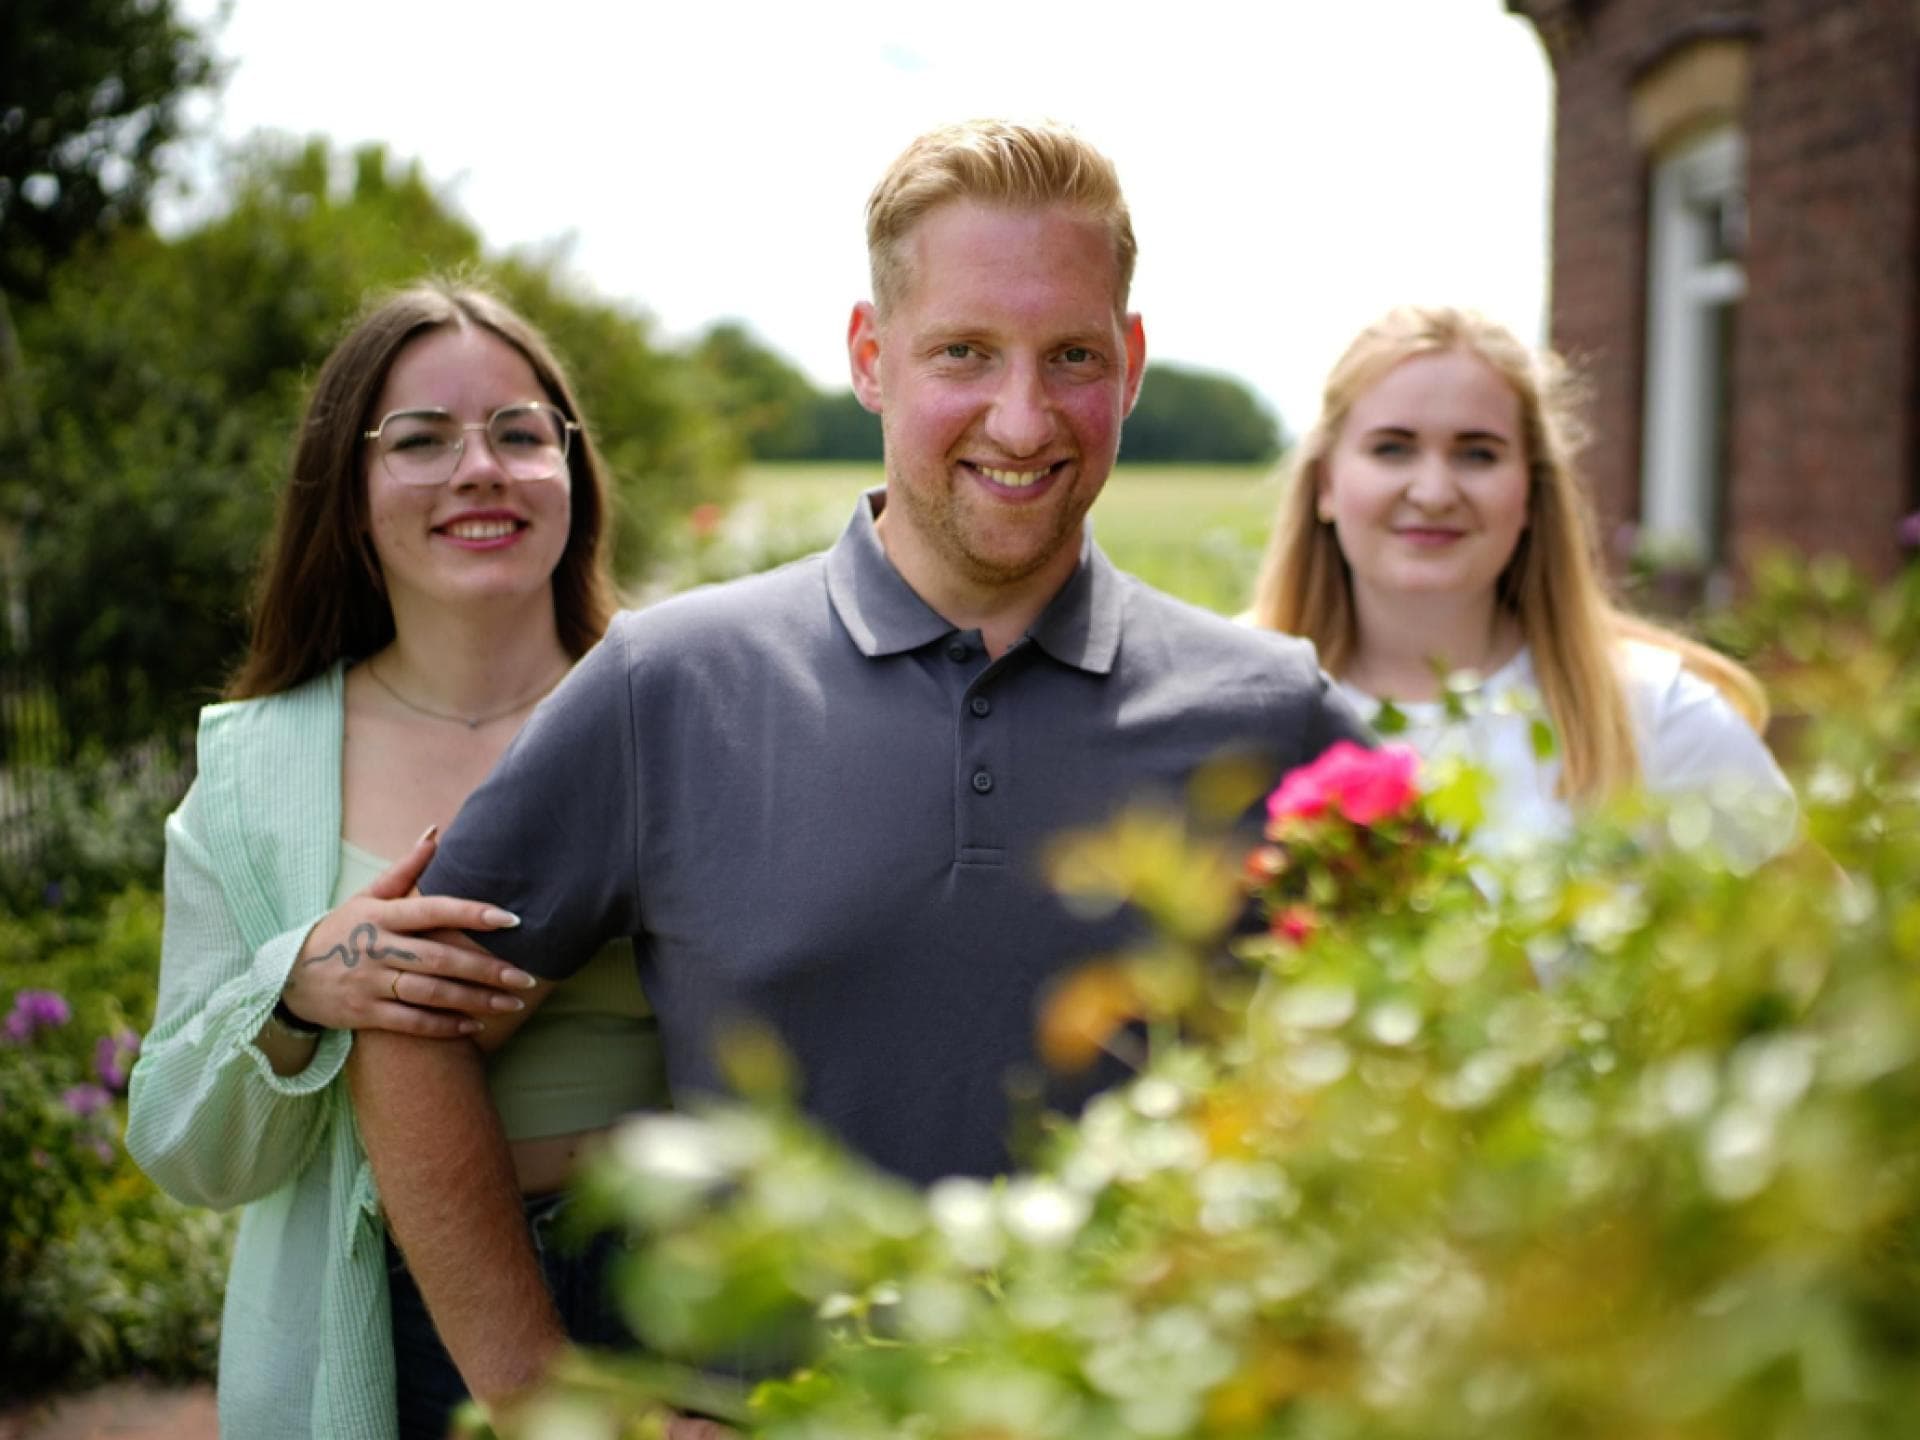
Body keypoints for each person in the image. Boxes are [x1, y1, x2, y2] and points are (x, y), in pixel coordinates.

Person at [347, 119, 1372, 1422]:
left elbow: (1444, 1059)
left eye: (1071, 356)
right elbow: (409, 1027)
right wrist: (551, 1399)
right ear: (870, 358)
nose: (1023, 415)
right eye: (964, 353)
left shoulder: (1273, 716)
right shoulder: (672, 683)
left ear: (1130, 363)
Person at [126, 281, 666, 1440]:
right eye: (420, 440)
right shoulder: (255, 771)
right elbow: (181, 1143)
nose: (481, 469)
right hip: (381, 1317)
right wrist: (295, 987)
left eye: (520, 433)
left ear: (572, 470)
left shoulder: (681, 707)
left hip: (682, 1291)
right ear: (350, 493)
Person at [1249, 304, 1793, 855]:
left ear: (1531, 489)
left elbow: (1820, 932)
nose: (1434, 493)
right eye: (1392, 448)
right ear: (1325, 483)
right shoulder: (1220, 702)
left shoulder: (1656, 714)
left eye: (1478, 454)